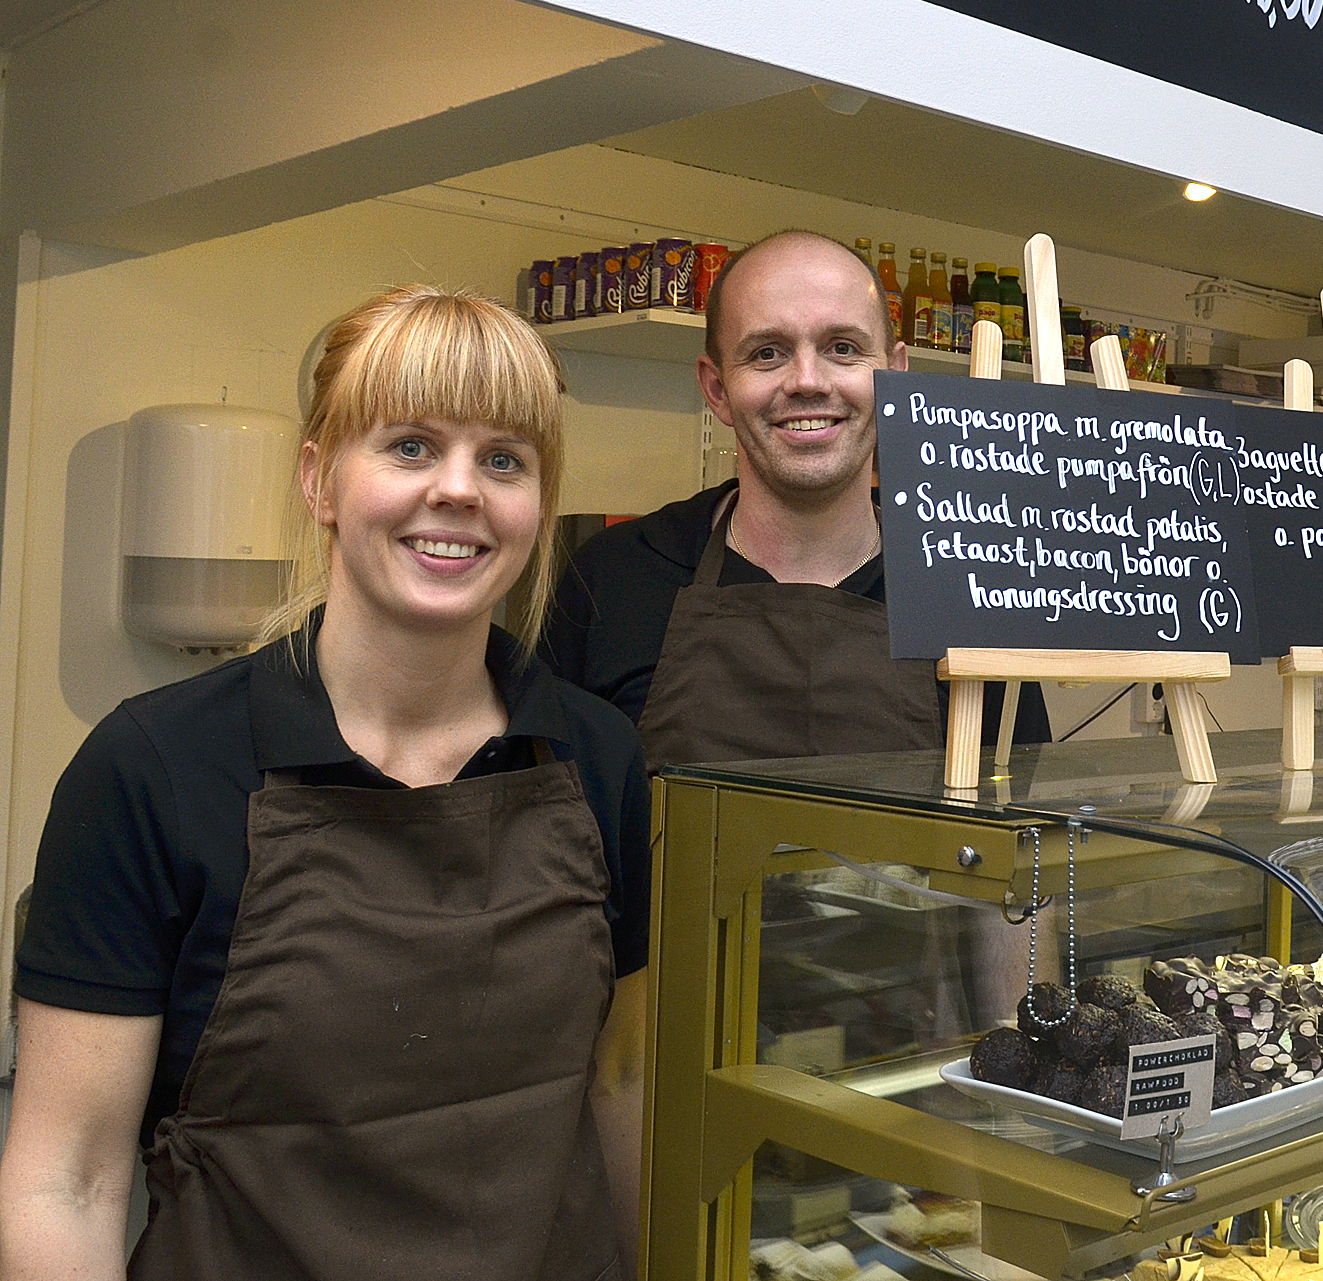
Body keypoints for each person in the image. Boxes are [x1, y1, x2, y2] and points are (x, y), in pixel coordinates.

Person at [0, 288, 651, 1280]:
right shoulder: (152, 767)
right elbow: (66, 1180)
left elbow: (620, 1084)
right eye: (410, 446)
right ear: (319, 480)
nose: (460, 489)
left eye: (504, 459)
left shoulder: (598, 756)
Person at [542, 230, 1048, 765]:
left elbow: (1024, 806)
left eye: (843, 348)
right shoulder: (609, 579)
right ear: (717, 389)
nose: (807, 381)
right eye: (767, 353)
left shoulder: (970, 591)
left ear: (895, 376)